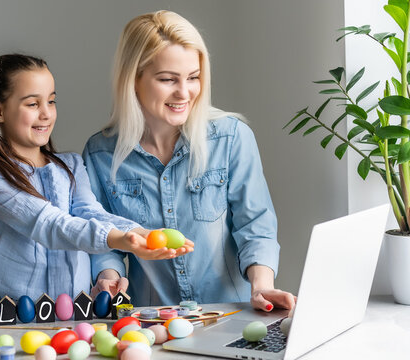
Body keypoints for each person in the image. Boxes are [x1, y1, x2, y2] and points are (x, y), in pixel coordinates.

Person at [83, 11, 295, 312]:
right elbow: (104, 237)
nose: (184, 93)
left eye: (193, 78)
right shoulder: (100, 154)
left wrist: (262, 286)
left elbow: (255, 225)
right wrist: (108, 276)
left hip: (229, 315)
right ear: (134, 79)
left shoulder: (231, 138)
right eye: (168, 79)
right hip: (154, 322)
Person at [0, 54, 193, 314]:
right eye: (32, 104)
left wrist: (140, 234)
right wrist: (122, 240)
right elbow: (49, 224)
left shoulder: (70, 165)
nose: (46, 113)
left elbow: (90, 213)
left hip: (71, 317)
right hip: (11, 315)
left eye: (51, 101)